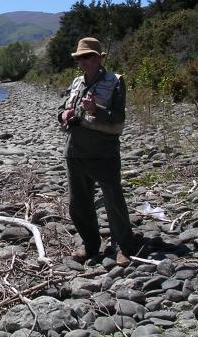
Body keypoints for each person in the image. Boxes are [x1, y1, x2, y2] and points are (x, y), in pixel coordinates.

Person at [57, 37, 134, 267]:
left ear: (100, 58)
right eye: (80, 57)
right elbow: (61, 109)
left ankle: (123, 247)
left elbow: (119, 117)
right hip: (75, 151)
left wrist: (96, 110)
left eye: (89, 56)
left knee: (113, 201)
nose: (84, 61)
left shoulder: (116, 82)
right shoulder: (76, 82)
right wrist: (63, 115)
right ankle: (90, 244)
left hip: (103, 151)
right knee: (78, 204)